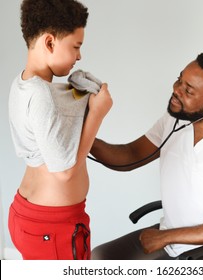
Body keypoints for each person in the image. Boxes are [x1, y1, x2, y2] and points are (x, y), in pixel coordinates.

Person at [90, 52, 203, 260]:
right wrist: (84, 137)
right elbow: (131, 155)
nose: (176, 90)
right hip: (175, 235)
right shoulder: (176, 119)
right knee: (101, 257)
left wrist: (164, 237)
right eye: (179, 79)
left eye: (188, 90)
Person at [8, 0, 113, 260]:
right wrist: (97, 113)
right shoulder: (41, 94)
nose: (79, 56)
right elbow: (65, 172)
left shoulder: (23, 84)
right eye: (76, 46)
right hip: (52, 227)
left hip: (32, 216)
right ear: (50, 42)